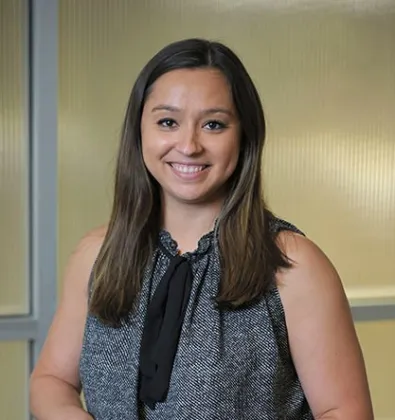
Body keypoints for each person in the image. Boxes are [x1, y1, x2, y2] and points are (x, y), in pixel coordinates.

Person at [29, 38, 374, 420]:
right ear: (139, 131)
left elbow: (344, 411)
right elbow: (51, 381)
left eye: (213, 124)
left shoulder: (294, 265)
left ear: (244, 136)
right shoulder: (99, 254)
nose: (189, 145)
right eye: (167, 122)